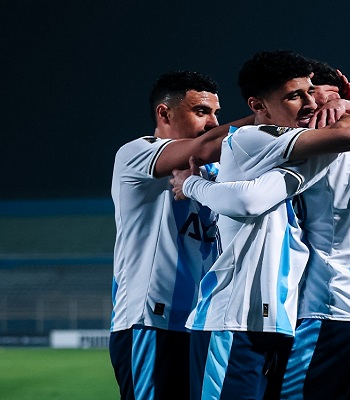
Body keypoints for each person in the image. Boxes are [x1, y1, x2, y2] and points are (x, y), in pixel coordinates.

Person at [180, 50, 350, 400]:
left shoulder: (293, 150)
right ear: (258, 105)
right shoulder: (252, 138)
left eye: (311, 93)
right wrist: (192, 184)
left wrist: (340, 103)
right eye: (294, 96)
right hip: (233, 319)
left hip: (278, 322)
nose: (310, 103)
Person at [109, 70, 251, 400]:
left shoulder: (217, 172)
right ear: (164, 113)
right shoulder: (138, 153)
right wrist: (270, 117)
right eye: (201, 111)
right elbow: (205, 147)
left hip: (203, 322)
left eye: (216, 113)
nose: (213, 122)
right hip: (151, 321)